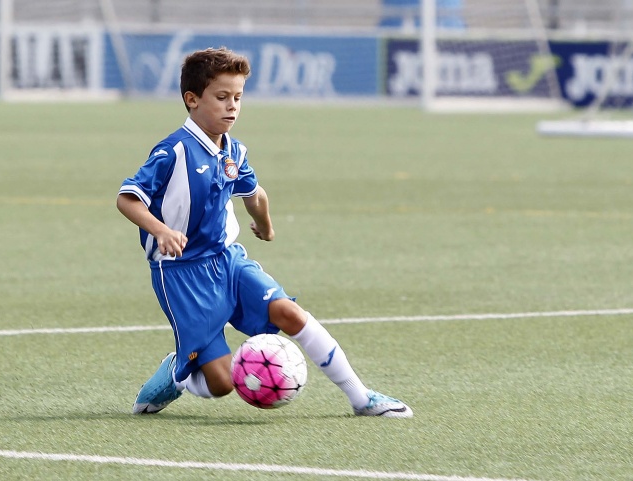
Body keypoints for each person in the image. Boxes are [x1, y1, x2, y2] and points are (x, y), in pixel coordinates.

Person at [116, 47, 412, 418]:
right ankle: (179, 375)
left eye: (238, 97)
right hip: (181, 272)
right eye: (222, 97)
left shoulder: (234, 152)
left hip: (228, 259)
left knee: (289, 313)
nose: (232, 106)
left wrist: (266, 225)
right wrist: (160, 230)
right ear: (192, 100)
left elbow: (255, 195)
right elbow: (127, 199)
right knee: (223, 383)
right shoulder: (173, 151)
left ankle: (361, 397)